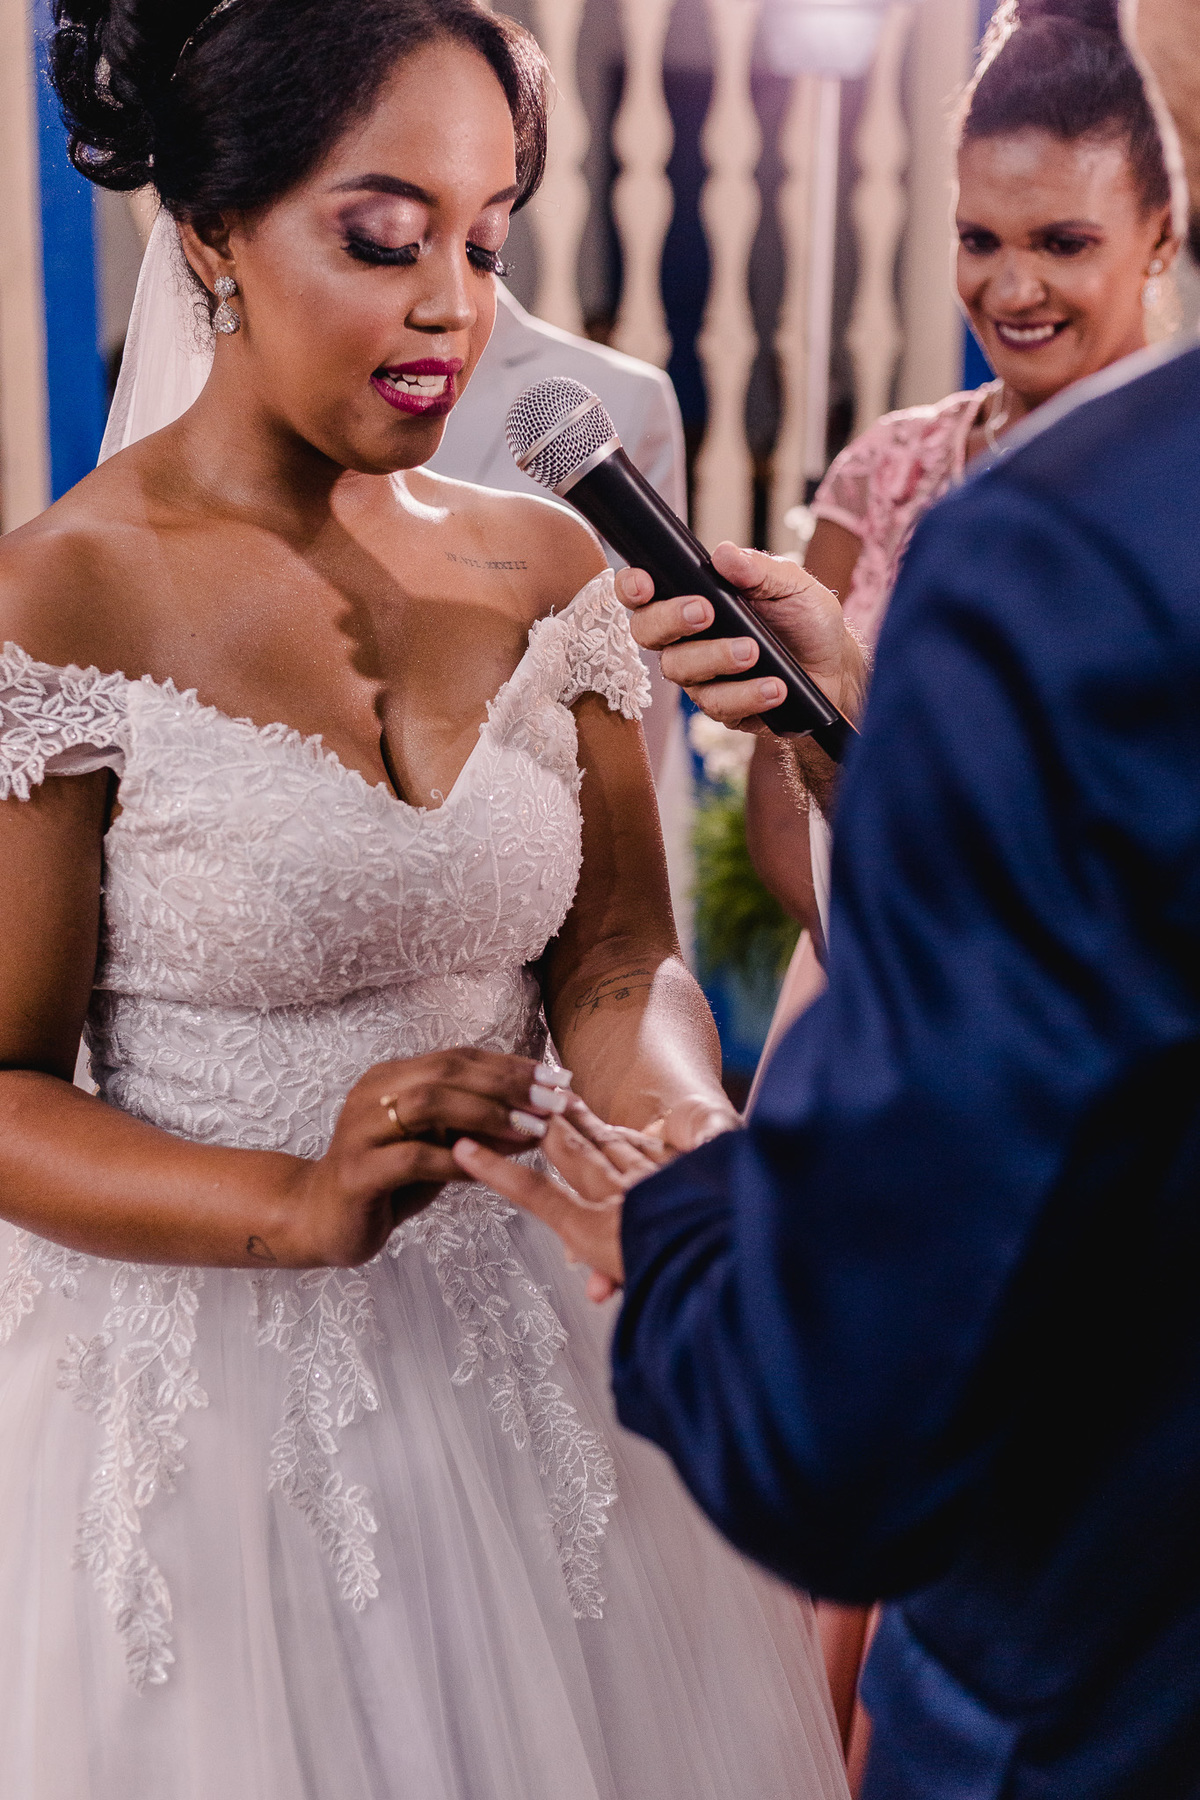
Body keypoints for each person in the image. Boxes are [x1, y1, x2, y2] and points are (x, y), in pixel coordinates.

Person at [0, 4, 851, 1796]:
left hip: (543, 1357)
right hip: (203, 1412)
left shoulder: (550, 567)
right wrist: (296, 1203)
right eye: (385, 240)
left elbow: (619, 959)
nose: (454, 305)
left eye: (484, 237)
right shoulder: (61, 602)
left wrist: (681, 1125)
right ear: (215, 235)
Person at [459, 0, 1200, 1792]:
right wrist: (855, 733)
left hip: (1092, 1659)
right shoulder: (971, 498)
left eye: (473, 243)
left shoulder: (1071, 558)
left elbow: (839, 1437)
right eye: (981, 237)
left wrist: (691, 1230)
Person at [749, 0, 1179, 944]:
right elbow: (782, 808)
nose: (1012, 289)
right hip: (868, 971)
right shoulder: (887, 467)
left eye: (1063, 244)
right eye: (980, 240)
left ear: (1161, 234)